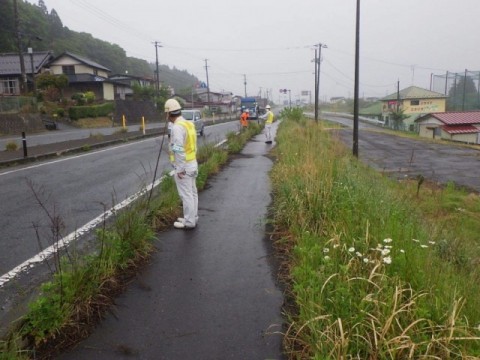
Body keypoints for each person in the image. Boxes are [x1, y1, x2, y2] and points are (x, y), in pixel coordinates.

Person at [165, 98, 198, 229]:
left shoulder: (177, 127)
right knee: (192, 192)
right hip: (192, 163)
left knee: (186, 195)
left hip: (184, 166)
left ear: (168, 113)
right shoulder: (188, 124)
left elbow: (178, 149)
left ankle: (189, 222)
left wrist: (180, 169)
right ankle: (193, 217)